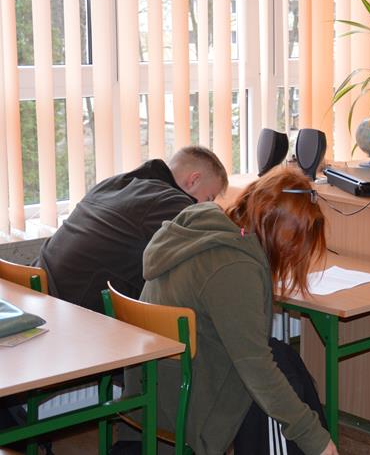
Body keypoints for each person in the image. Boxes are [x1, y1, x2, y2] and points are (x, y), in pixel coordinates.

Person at [131, 167, 337, 455]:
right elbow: (257, 369)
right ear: (281, 235)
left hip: (156, 389)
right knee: (275, 382)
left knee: (283, 358)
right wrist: (316, 440)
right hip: (182, 407)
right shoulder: (234, 268)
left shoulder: (204, 226)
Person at [36, 146, 228, 313]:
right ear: (193, 180)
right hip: (72, 311)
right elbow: (216, 248)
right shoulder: (169, 201)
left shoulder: (114, 184)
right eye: (209, 198)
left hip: (38, 289)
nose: (207, 206)